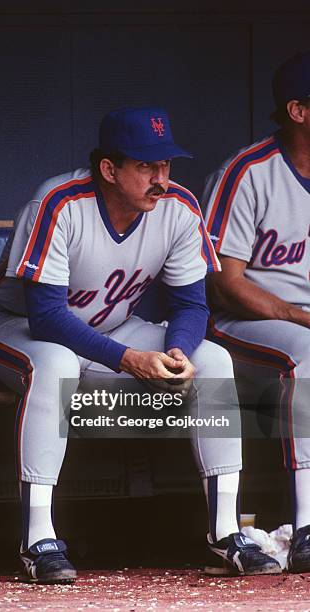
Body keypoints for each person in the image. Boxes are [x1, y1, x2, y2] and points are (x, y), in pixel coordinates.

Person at [0, 107, 281, 583]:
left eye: (166, 166)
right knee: (55, 364)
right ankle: (38, 539)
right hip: (12, 327)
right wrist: (129, 359)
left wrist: (177, 349)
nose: (161, 179)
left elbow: (192, 307)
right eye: (145, 167)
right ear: (109, 170)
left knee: (211, 356)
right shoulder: (58, 201)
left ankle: (224, 532)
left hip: (111, 327)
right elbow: (47, 317)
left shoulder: (178, 207)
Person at [203, 51, 310, 574]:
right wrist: (298, 315)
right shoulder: (248, 172)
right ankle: (309, 526)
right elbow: (225, 282)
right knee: (309, 356)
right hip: (244, 326)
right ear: (298, 110)